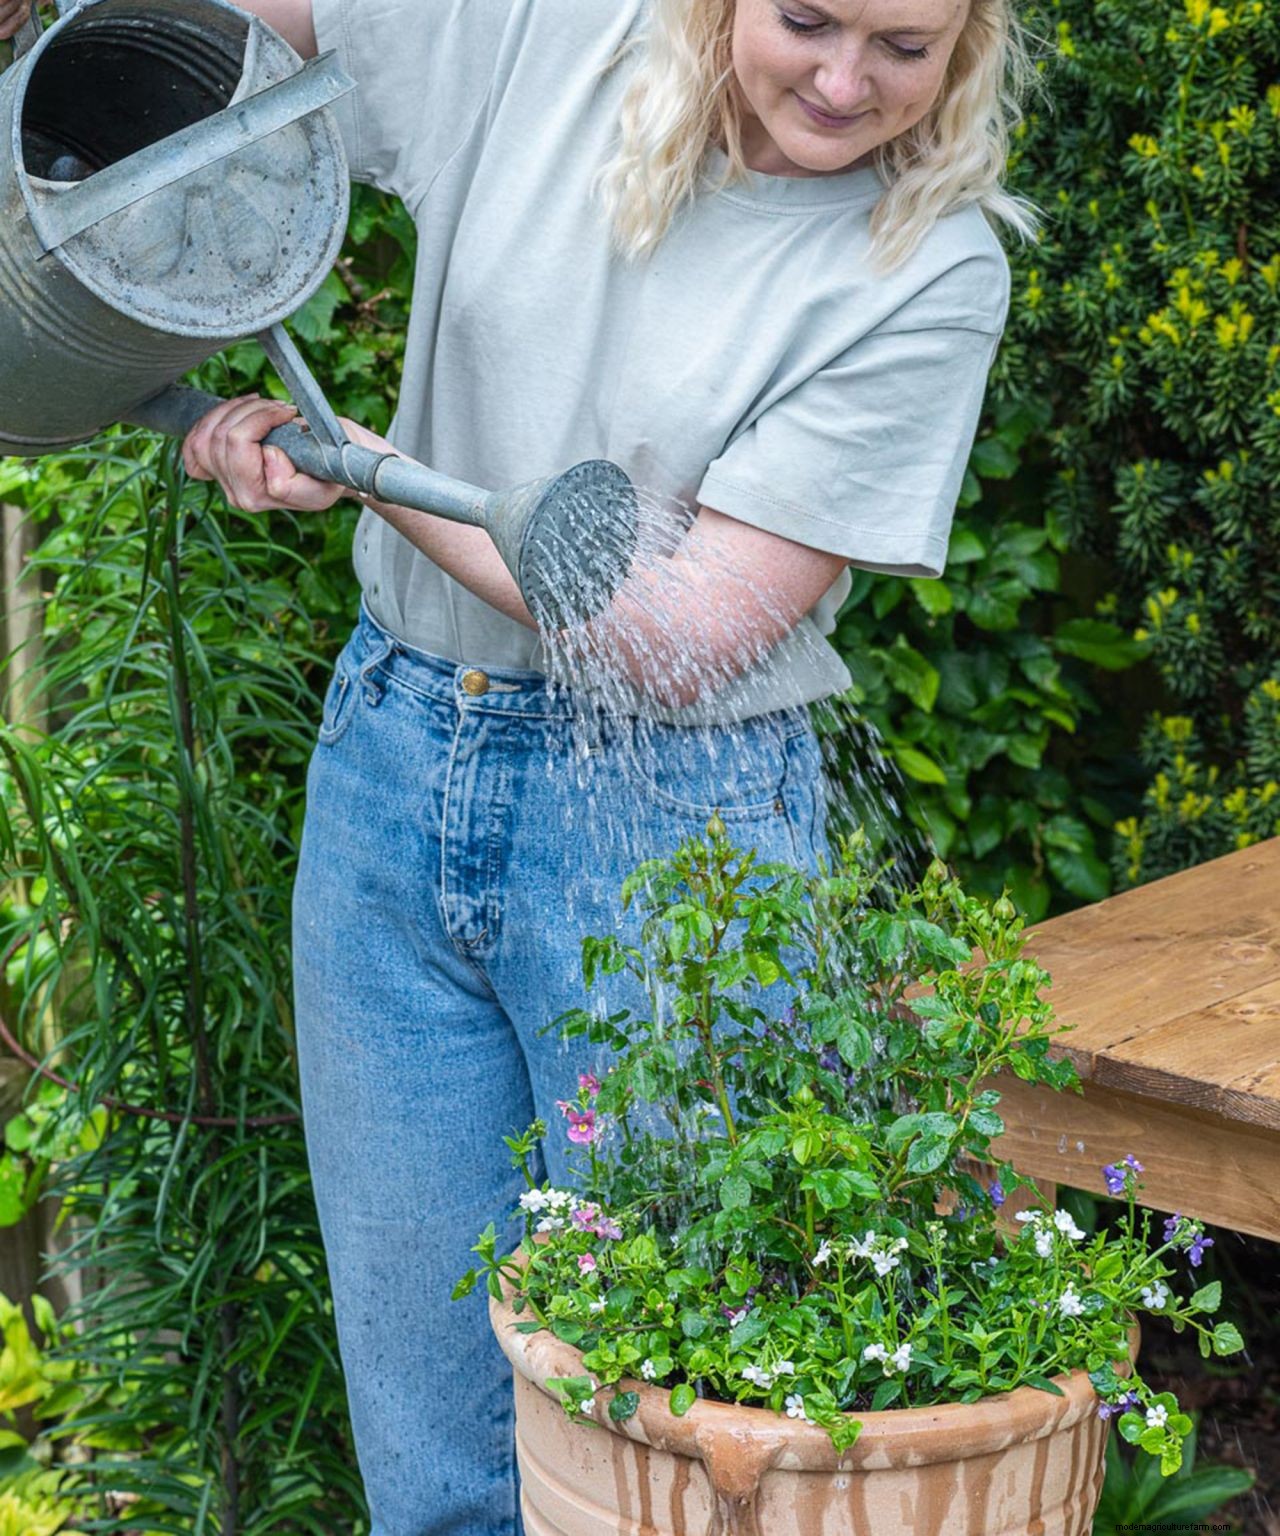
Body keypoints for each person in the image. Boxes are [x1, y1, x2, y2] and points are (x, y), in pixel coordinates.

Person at [0, 0, 1039, 1528]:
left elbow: (674, 638)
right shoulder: (550, 36)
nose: (842, 79)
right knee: (435, 1453)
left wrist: (350, 460)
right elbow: (230, 36)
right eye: (806, 20)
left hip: (680, 826)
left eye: (904, 44)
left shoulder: (928, 263)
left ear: (969, 39)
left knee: (693, 1430)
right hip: (395, 761)